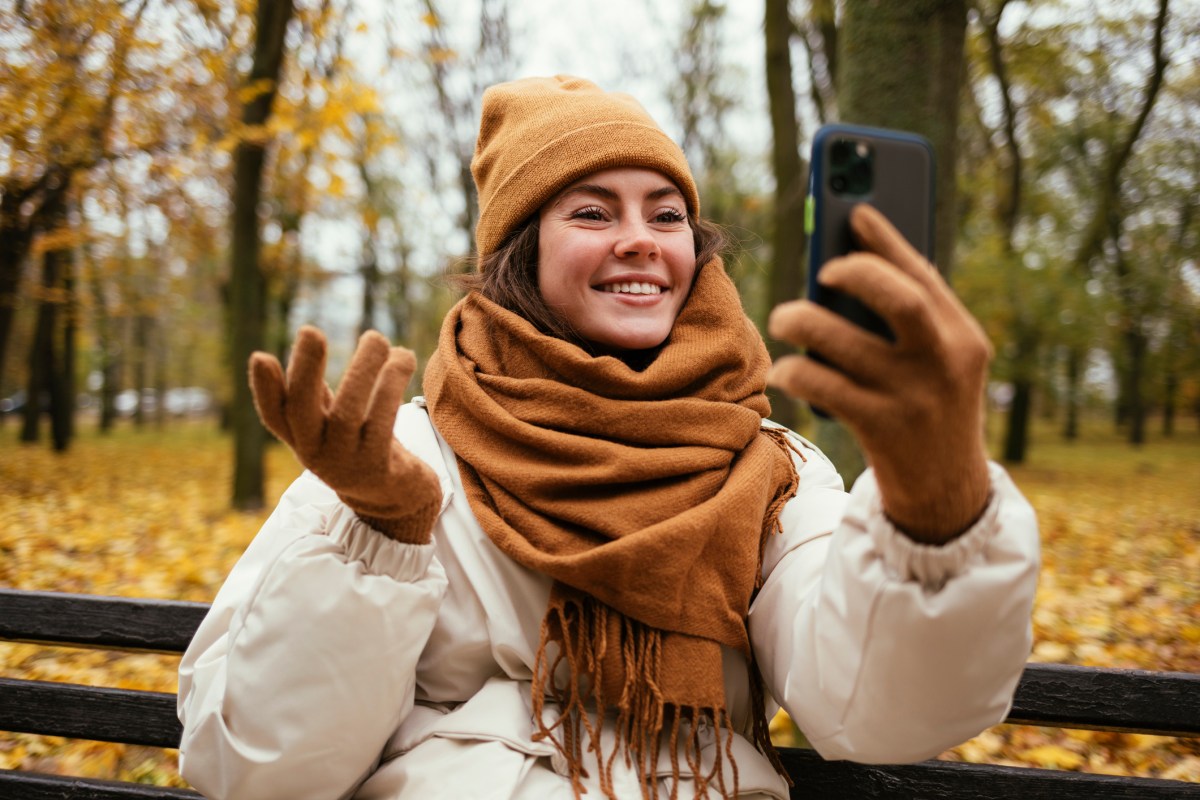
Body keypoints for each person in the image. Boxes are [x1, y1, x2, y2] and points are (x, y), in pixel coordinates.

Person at [177, 75, 1040, 800]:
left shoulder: (771, 467)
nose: (640, 240)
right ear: (521, 253)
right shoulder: (394, 458)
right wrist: (377, 534)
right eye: (592, 212)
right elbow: (254, 771)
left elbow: (881, 711)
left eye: (667, 216)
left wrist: (938, 506)